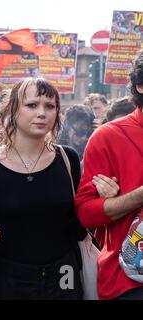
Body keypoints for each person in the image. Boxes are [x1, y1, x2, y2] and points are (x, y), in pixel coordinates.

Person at [0, 78, 87, 300]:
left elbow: (79, 223)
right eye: (32, 105)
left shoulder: (68, 159)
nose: (42, 113)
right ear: (13, 110)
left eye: (50, 106)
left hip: (64, 275)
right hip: (10, 279)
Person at [75, 51, 143, 300]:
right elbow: (86, 213)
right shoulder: (108, 137)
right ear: (140, 85)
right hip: (130, 282)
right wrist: (136, 197)